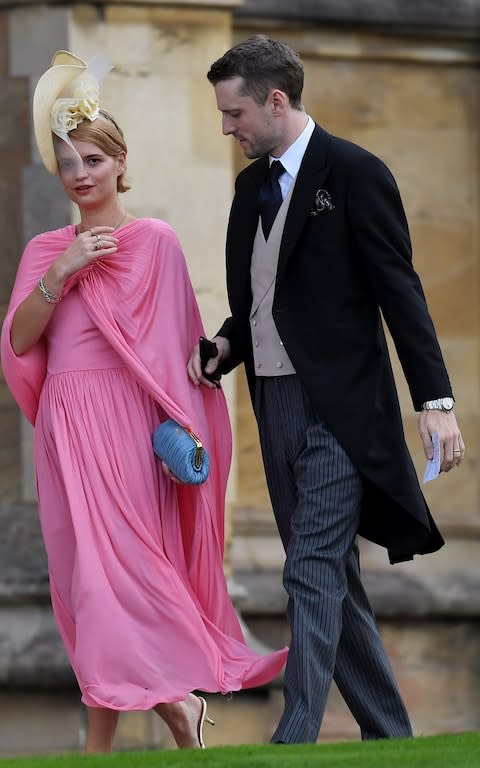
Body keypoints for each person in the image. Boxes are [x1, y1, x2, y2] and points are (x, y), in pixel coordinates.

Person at [0, 50, 287, 754]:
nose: (81, 174)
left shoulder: (155, 241)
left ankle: (111, 740)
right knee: (83, 581)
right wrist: (64, 272)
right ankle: (173, 713)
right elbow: (17, 340)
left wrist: (178, 437)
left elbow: (172, 355)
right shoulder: (45, 249)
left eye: (93, 159)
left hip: (129, 430)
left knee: (119, 581)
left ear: (119, 161)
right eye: (68, 163)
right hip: (68, 426)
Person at [187, 35, 465, 744]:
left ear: (276, 101)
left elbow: (401, 292)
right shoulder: (250, 187)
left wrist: (434, 404)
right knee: (332, 576)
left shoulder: (356, 172)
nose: (227, 127)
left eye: (234, 112)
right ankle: (392, 737)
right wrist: (225, 346)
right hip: (274, 405)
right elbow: (263, 299)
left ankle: (295, 736)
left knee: (308, 568)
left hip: (344, 411)